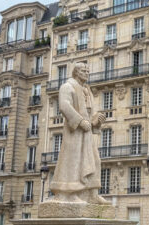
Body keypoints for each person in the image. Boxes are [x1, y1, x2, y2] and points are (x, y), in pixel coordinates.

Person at [50, 62, 109, 204]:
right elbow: (64, 106)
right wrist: (80, 121)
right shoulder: (67, 86)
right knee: (74, 161)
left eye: (88, 71)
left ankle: (92, 194)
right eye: (83, 71)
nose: (87, 73)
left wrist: (96, 120)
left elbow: (89, 113)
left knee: (94, 161)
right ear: (76, 72)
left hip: (86, 133)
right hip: (74, 132)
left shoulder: (87, 90)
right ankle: (71, 194)